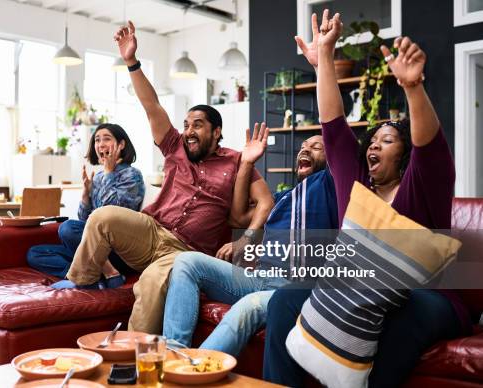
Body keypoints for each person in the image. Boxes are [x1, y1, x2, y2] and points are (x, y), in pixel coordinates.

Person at [263, 10, 470, 387]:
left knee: (407, 311)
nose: (374, 144)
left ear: (405, 155)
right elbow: (333, 126)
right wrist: (325, 56)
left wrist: (412, 88)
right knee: (283, 302)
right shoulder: (356, 186)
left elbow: (430, 148)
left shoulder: (421, 187)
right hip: (363, 290)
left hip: (428, 296)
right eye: (371, 141)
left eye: (387, 140)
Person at [57, 21, 275, 335]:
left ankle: (130, 358)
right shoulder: (176, 147)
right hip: (151, 230)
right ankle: (82, 282)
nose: (188, 131)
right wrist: (131, 61)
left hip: (185, 251)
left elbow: (266, 202)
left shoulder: (237, 161)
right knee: (101, 217)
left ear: (216, 132)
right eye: (186, 124)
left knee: (150, 283)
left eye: (197, 125)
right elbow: (151, 106)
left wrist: (247, 239)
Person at [163, 130, 338, 356]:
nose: (305, 149)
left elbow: (339, 144)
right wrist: (246, 162)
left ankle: (193, 372)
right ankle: (172, 355)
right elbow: (237, 216)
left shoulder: (330, 186)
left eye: (316, 147)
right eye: (303, 145)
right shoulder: (284, 197)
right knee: (187, 262)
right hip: (260, 277)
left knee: (248, 307)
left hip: (292, 289)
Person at [27, 123, 145, 286]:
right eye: (97, 140)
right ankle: (83, 275)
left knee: (67, 229)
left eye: (106, 139)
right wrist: (85, 194)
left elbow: (112, 217)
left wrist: (109, 174)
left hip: (118, 249)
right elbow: (85, 219)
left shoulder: (132, 175)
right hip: (94, 246)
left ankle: (109, 273)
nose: (100, 144)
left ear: (121, 144)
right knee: (34, 253)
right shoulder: (97, 176)